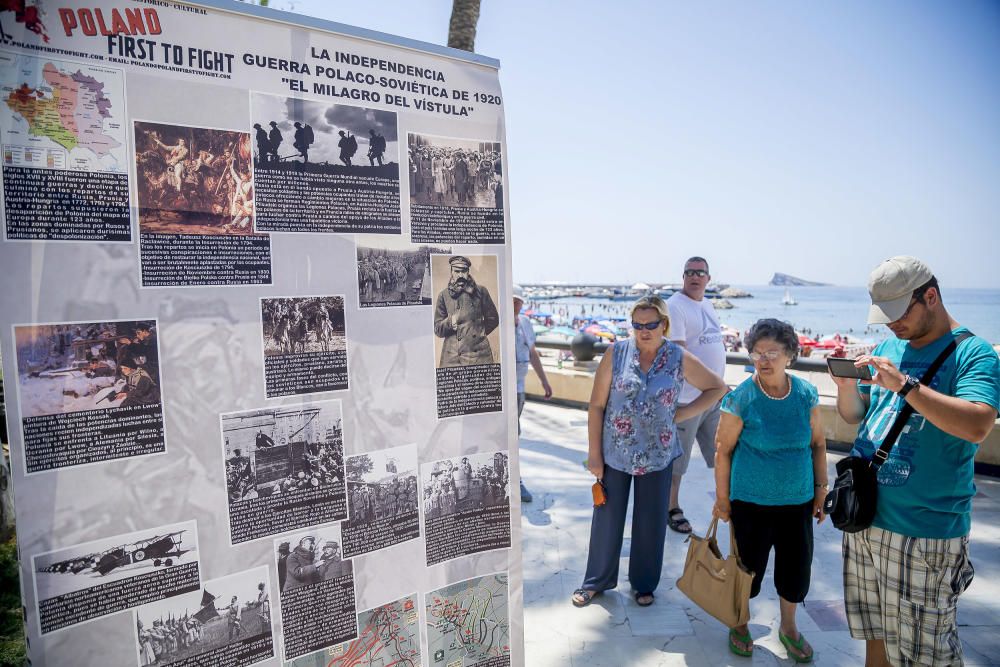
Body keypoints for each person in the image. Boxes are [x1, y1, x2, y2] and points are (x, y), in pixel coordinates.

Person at [831, 256, 999, 667]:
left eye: (899, 313)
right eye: (884, 315)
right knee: (875, 638)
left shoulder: (974, 354)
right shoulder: (891, 347)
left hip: (924, 530)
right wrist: (845, 385)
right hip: (865, 518)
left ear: (931, 296)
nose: (891, 325)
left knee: (928, 655)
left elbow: (978, 424)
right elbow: (857, 416)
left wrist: (907, 386)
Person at [572, 295, 728, 608]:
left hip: (659, 454)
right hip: (615, 452)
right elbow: (597, 405)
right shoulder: (616, 353)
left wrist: (680, 414)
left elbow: (717, 387)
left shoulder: (678, 356)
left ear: (664, 325)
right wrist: (594, 454)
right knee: (607, 519)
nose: (644, 330)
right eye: (637, 325)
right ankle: (596, 582)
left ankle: (644, 584)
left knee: (651, 522)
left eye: (651, 324)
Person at [713, 318, 827, 661]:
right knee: (748, 570)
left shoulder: (806, 393)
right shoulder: (741, 398)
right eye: (757, 353)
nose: (763, 360)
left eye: (772, 352)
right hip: (750, 502)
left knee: (796, 568)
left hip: (798, 500)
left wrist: (821, 490)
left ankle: (788, 628)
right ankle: (740, 622)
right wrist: (722, 500)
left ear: (790, 354)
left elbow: (819, 444)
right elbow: (723, 451)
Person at [666, 256, 727, 533]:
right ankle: (671, 508)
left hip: (713, 398)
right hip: (687, 398)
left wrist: (717, 387)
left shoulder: (708, 303)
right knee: (676, 463)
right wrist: (712, 384)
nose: (695, 276)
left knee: (722, 453)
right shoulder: (675, 306)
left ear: (708, 278)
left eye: (700, 272)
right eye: (689, 272)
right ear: (683, 276)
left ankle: (727, 501)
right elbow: (680, 355)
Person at [513, 286, 553, 503]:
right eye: (511, 301)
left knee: (514, 435)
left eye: (518, 301)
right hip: (500, 391)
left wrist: (544, 381)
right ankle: (513, 481)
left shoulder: (525, 323)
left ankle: (515, 480)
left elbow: (532, 353)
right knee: (508, 436)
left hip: (518, 389)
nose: (515, 305)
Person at [433, 256, 500, 367]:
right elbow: (437, 329)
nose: (460, 275)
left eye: (463, 271)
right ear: (451, 272)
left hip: (478, 354)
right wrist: (450, 322)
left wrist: (477, 333)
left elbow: (493, 319)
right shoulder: (443, 295)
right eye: (456, 271)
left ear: (468, 272)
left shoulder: (481, 291)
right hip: (452, 357)